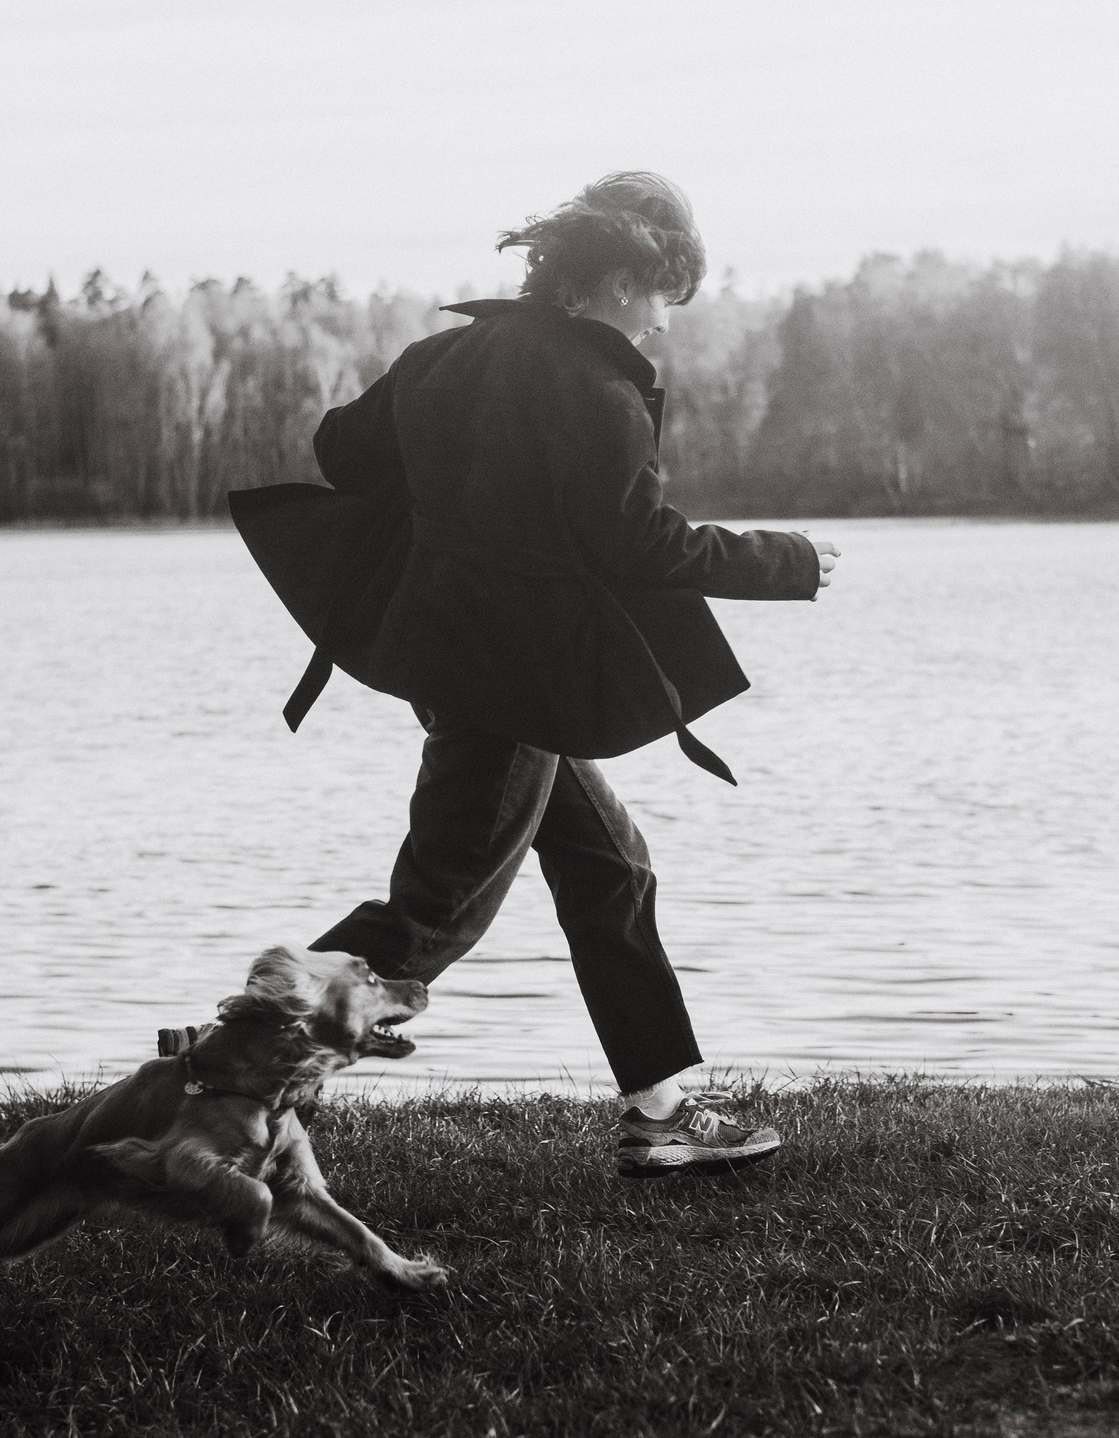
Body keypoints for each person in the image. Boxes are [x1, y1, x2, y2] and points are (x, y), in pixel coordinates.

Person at [226, 171, 838, 1176]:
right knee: (433, 910)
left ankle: (657, 1108)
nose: (663, 328)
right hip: (514, 683)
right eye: (658, 301)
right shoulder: (597, 394)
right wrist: (789, 560)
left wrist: (457, 513)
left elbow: (341, 446)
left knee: (612, 867)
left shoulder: (444, 356)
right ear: (615, 279)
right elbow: (639, 545)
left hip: (466, 663)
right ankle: (221, 1068)